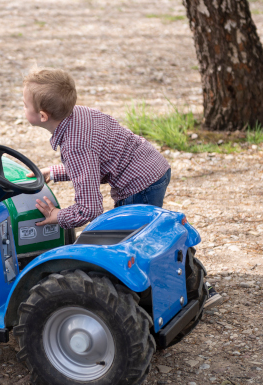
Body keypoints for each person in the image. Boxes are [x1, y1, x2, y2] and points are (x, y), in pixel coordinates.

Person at [23, 68, 222, 309]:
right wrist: (53, 173)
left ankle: (185, 292)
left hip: (138, 186)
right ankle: (195, 286)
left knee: (132, 246)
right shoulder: (79, 115)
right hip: (153, 168)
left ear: (43, 116)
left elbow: (90, 209)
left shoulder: (74, 145)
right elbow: (94, 163)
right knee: (150, 236)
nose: (23, 109)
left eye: (25, 105)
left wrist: (58, 216)